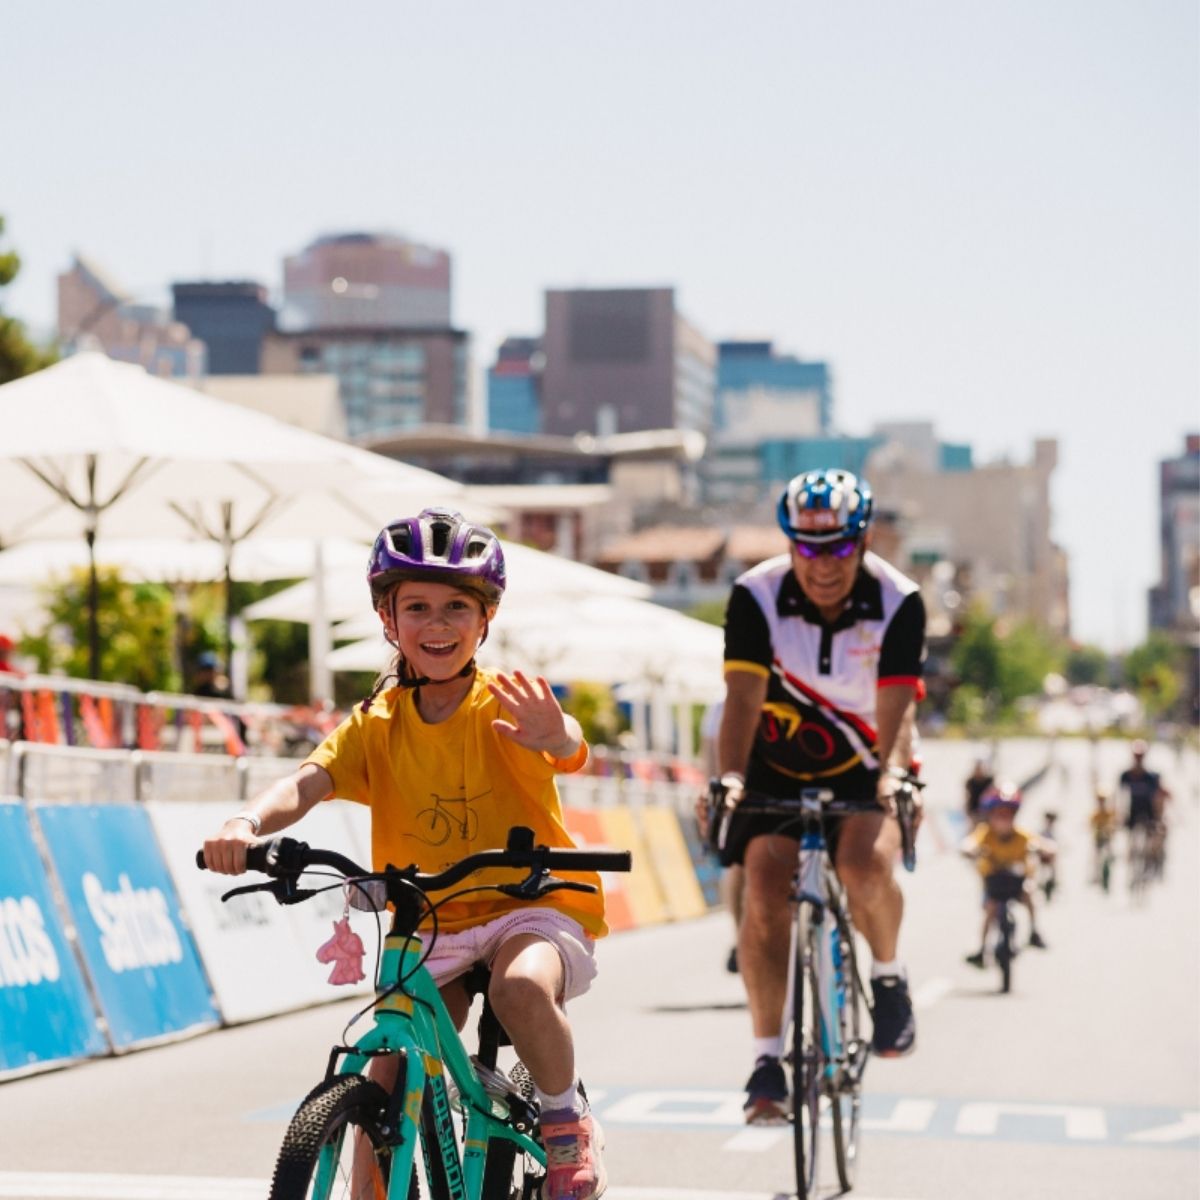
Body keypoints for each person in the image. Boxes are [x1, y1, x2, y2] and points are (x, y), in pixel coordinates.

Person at [203, 508, 609, 1200]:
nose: (438, 624)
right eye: (417, 607)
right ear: (388, 620)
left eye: (458, 607)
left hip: (526, 907)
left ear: (486, 620)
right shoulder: (377, 721)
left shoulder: (503, 703)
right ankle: (373, 1188)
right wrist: (247, 821)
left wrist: (560, 734)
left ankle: (566, 1120)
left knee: (517, 989)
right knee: (387, 1063)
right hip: (429, 919)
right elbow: (309, 780)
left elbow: (564, 745)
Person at [713, 468, 926, 1123]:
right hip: (776, 766)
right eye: (809, 549)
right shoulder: (755, 594)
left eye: (838, 547)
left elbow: (896, 706)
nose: (823, 563)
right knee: (764, 887)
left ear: (861, 541)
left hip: (867, 761)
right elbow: (743, 698)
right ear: (790, 544)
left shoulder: (900, 599)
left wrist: (890, 778)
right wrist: (729, 777)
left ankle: (886, 977)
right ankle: (766, 1059)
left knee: (865, 864)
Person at [960, 783, 1053, 965]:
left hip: (1016, 882)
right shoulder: (985, 834)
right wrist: (969, 849)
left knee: (1030, 893)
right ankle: (982, 949)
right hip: (994, 883)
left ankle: (1034, 931)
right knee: (990, 910)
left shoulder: (1021, 835)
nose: (1003, 820)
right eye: (999, 815)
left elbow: (1042, 844)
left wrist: (1045, 850)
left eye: (1007, 815)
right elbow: (969, 843)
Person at [699, 696, 744, 973]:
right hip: (735, 798)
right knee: (737, 865)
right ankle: (741, 937)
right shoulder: (718, 707)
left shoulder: (717, 707)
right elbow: (709, 759)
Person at [1117, 739, 1171, 873]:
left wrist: (1160, 816)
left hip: (1149, 811)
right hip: (1133, 810)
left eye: (1140, 756)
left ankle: (1155, 856)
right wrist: (1118, 814)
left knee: (1156, 834)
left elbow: (1160, 796)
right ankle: (1131, 856)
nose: (1138, 759)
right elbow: (1119, 796)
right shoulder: (1126, 775)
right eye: (1136, 756)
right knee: (1131, 838)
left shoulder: (1152, 776)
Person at [1089, 788, 1118, 887]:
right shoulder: (1096, 814)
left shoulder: (1109, 813)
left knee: (1108, 854)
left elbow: (1114, 823)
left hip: (1107, 838)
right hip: (1098, 838)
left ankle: (1106, 875)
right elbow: (1091, 824)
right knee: (1096, 857)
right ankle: (1096, 875)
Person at [964, 755, 995, 825]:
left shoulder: (989, 781)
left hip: (986, 813)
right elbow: (967, 797)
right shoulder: (970, 782)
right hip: (974, 814)